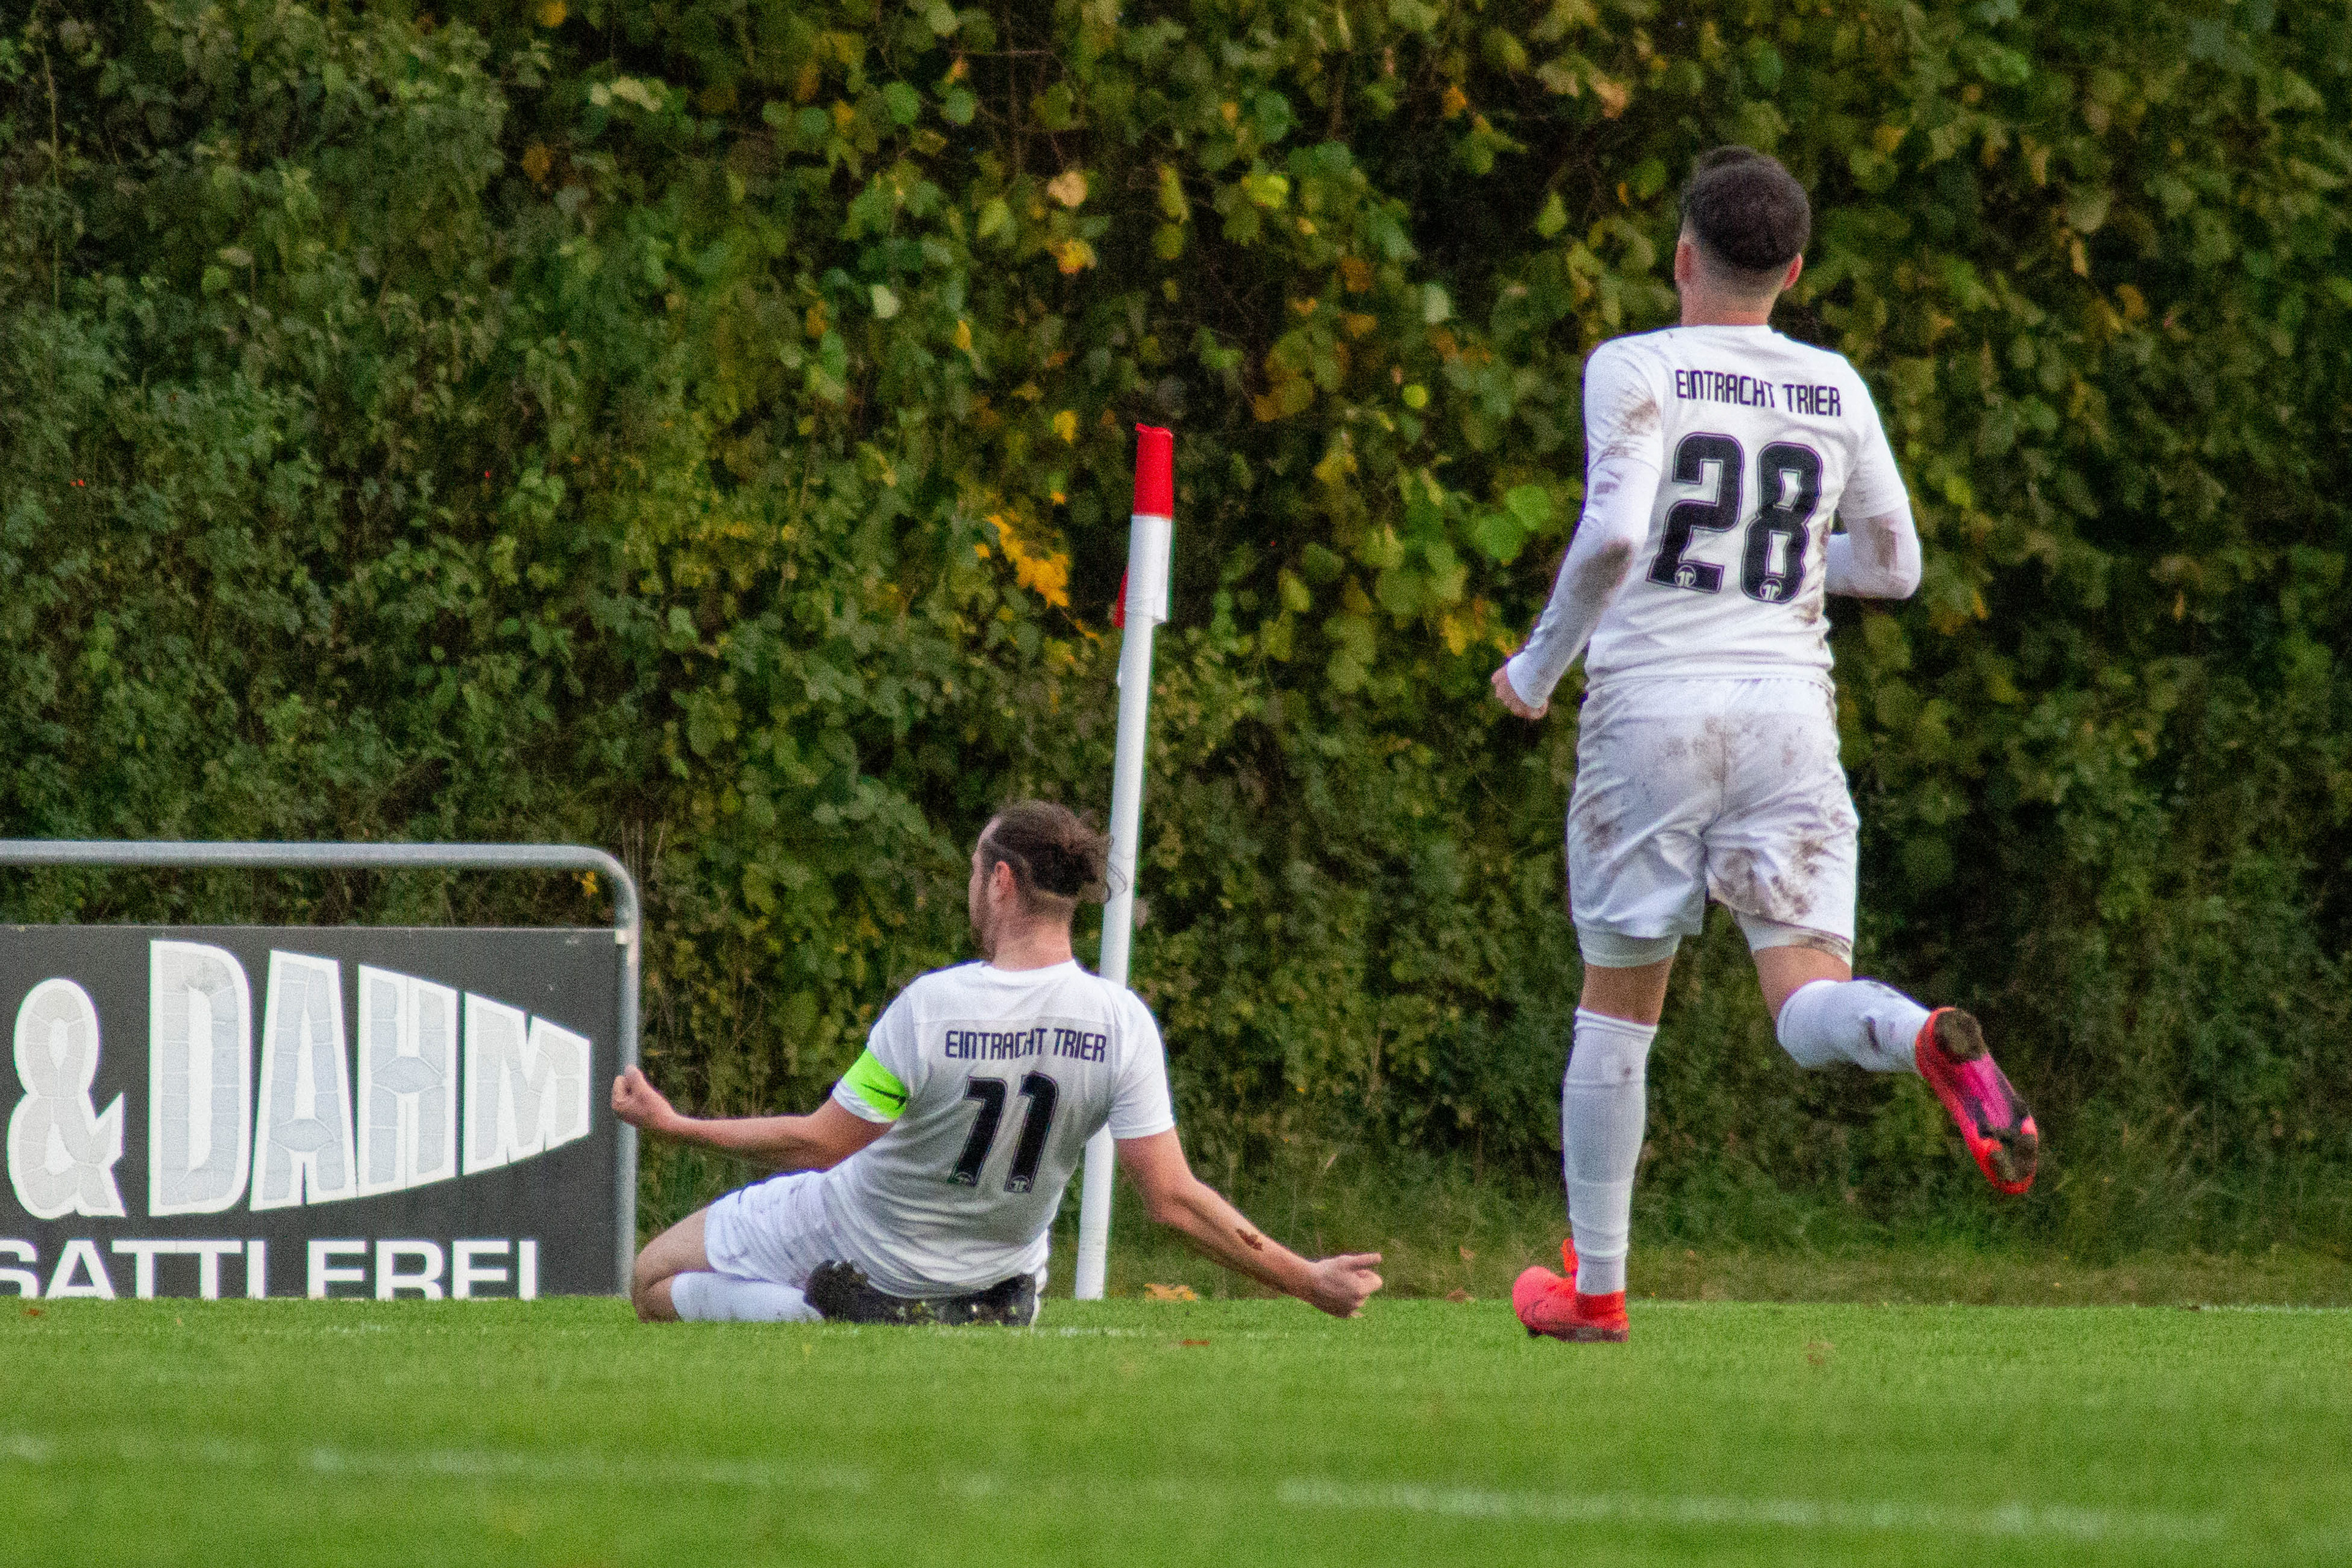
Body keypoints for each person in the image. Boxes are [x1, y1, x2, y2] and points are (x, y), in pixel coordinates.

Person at [1492, 148, 2037, 1344]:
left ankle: (1598, 1287)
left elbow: (1612, 536)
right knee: (1807, 999)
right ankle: (1914, 1035)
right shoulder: (1835, 386)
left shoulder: (1634, 364)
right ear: (1792, 271)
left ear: (1684, 256)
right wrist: (1788, 570)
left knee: (1618, 1009)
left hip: (1653, 712)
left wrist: (1534, 671)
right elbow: (1895, 566)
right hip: (1790, 712)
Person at [612, 800, 1384, 1325]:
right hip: (1003, 1281)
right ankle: (947, 1307)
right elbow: (1175, 1200)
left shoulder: (932, 1007)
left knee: (652, 1278)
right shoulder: (1123, 1023)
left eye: (976, 873)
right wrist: (1306, 1278)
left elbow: (824, 1143)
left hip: (863, 1243)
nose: (972, 888)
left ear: (1003, 882)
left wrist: (680, 1125)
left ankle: (828, 1308)